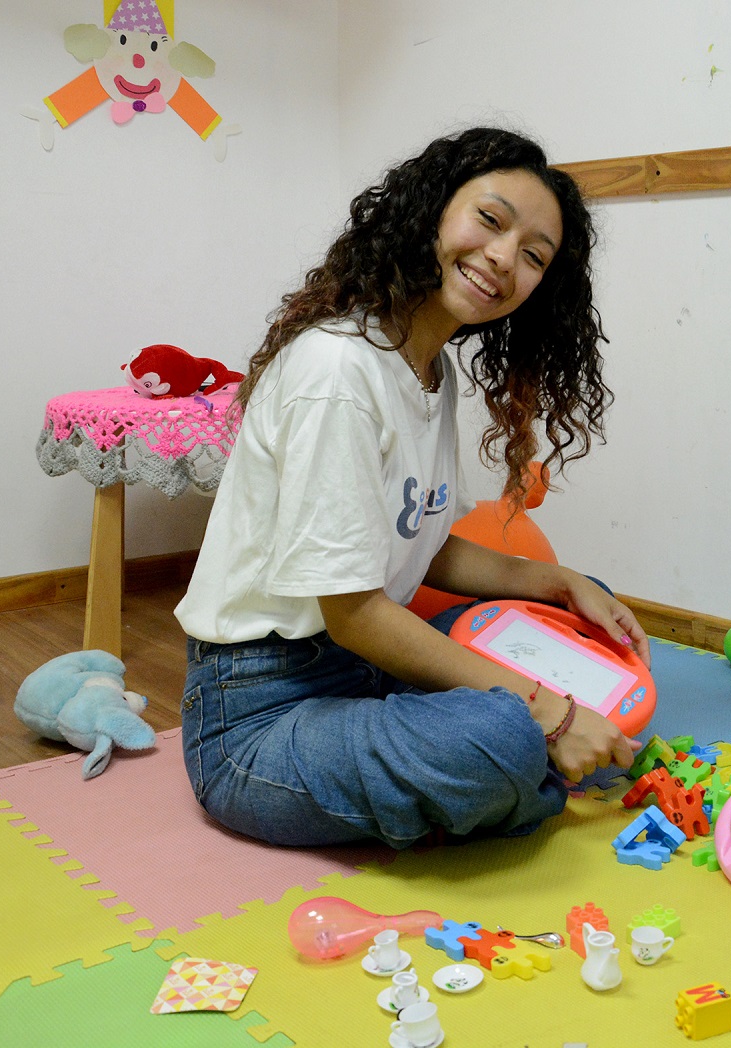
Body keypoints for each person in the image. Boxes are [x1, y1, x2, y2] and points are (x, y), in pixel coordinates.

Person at [174, 127, 649, 851]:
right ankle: (542, 759)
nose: (503, 258)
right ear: (431, 209)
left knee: (581, 609)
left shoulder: (431, 370)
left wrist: (560, 583)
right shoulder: (338, 371)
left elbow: (421, 543)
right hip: (260, 719)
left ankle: (540, 755)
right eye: (489, 220)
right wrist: (549, 715)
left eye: (533, 256)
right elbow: (354, 615)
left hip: (363, 674)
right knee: (501, 738)